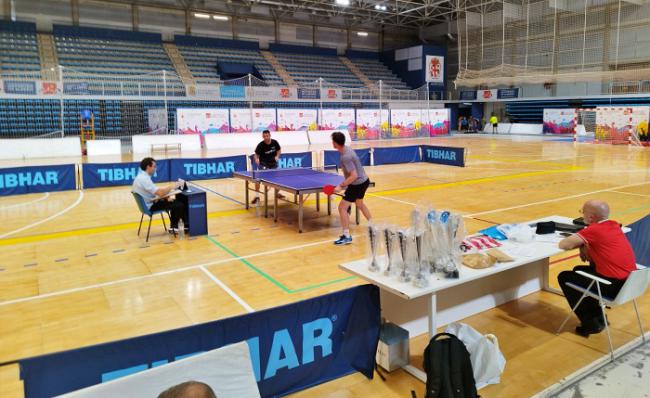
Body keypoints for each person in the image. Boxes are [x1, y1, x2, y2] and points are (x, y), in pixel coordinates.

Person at [557, 200, 636, 337]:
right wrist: (584, 244)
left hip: (612, 287)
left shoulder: (594, 230)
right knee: (578, 270)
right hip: (630, 283)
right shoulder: (614, 225)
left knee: (564, 276)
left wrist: (584, 241)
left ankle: (591, 324)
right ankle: (597, 317)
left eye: (583, 212)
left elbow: (564, 244)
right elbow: (597, 241)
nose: (581, 215)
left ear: (591, 217)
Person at [331, 131, 372, 245]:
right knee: (359, 204)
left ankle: (346, 236)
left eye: (333, 141)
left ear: (335, 143)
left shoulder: (346, 156)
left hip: (357, 183)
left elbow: (354, 175)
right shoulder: (346, 149)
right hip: (364, 181)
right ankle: (373, 226)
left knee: (342, 208)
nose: (332, 143)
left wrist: (341, 185)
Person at [132, 157, 186, 233]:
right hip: (150, 206)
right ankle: (174, 227)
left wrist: (164, 197)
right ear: (148, 167)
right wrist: (172, 186)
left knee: (172, 200)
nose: (155, 169)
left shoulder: (141, 177)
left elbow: (154, 192)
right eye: (154, 166)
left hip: (148, 203)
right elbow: (160, 192)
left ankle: (174, 227)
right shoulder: (144, 179)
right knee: (179, 204)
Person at [252, 129, 282, 204]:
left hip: (273, 164)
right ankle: (257, 196)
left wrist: (277, 156)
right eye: (264, 136)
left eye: (267, 136)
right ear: (263, 136)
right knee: (257, 180)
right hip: (263, 164)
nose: (266, 137)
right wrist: (256, 159)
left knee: (278, 180)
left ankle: (277, 193)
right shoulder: (261, 145)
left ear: (270, 136)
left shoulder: (275, 142)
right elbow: (256, 154)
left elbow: (279, 150)